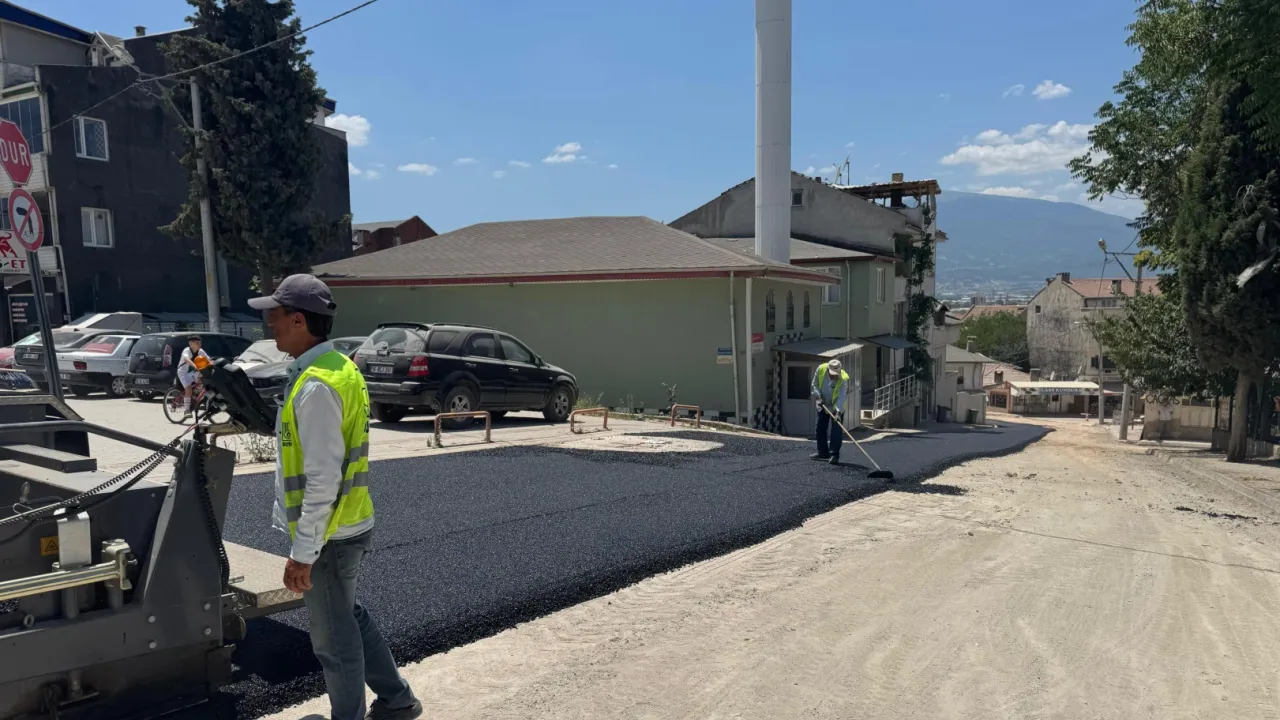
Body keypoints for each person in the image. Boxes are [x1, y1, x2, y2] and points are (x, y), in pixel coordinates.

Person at [249, 274, 422, 720]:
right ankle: (398, 700)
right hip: (349, 521)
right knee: (348, 615)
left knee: (332, 639)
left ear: (299, 320)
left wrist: (303, 552)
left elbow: (323, 479)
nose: (270, 323)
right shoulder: (339, 369)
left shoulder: (317, 386)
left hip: (330, 534)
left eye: (276, 314)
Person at [810, 359, 850, 465]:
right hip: (823, 403)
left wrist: (838, 413)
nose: (834, 376)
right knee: (820, 428)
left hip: (837, 406)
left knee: (836, 430)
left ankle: (834, 454)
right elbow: (814, 384)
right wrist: (818, 396)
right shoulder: (820, 369)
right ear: (828, 370)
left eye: (836, 374)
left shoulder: (843, 378)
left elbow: (842, 397)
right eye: (832, 374)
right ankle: (822, 453)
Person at [177, 335, 211, 417]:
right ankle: (187, 410)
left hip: (192, 372)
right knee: (188, 388)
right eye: (197, 343)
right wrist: (195, 365)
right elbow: (186, 359)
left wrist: (213, 364)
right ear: (191, 343)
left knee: (203, 381)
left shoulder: (200, 351)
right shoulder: (187, 350)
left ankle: (195, 395)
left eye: (200, 342)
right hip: (182, 372)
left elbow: (208, 359)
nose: (199, 344)